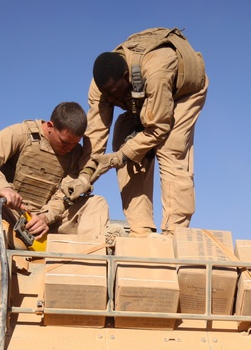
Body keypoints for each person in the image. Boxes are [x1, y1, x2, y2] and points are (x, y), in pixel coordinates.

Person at [62, 28, 208, 236]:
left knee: (170, 149)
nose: (111, 100)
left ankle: (174, 232)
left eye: (114, 93)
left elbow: (158, 128)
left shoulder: (156, 70)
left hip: (182, 92)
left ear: (126, 76)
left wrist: (120, 156)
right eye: (107, 96)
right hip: (140, 100)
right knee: (125, 143)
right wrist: (84, 176)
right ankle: (141, 230)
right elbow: (95, 135)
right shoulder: (102, 87)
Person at [0, 101, 109, 241]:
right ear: (50, 126)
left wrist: (45, 218)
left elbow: (64, 196)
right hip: (7, 216)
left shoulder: (75, 154)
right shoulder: (21, 134)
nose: (69, 149)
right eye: (64, 142)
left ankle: (92, 253)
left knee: (96, 202)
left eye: (75, 144)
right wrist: (2, 187)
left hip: (45, 227)